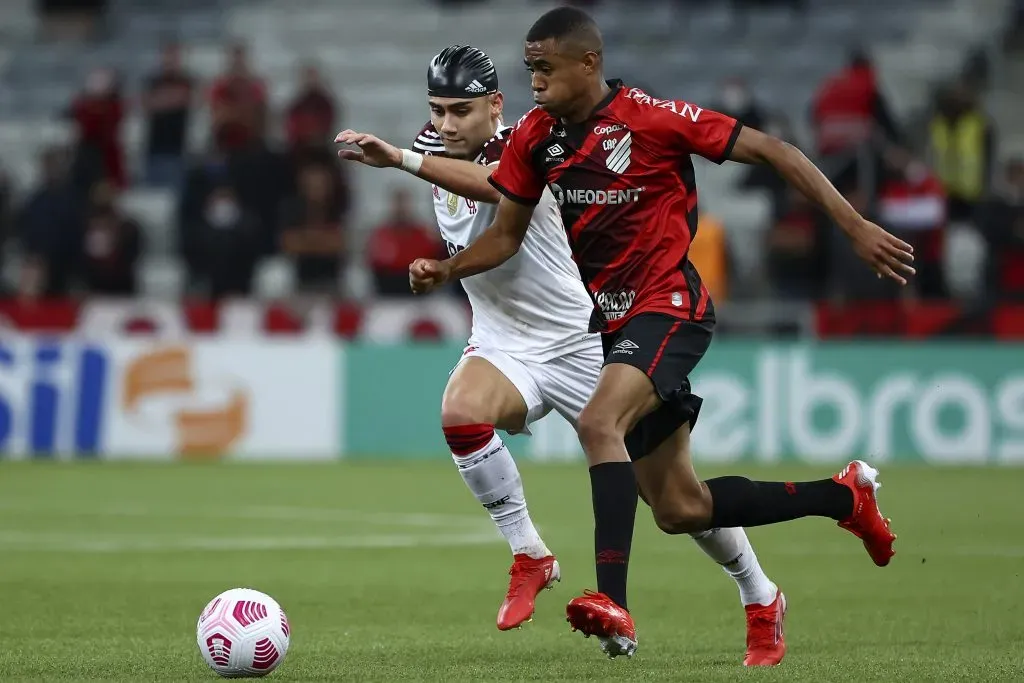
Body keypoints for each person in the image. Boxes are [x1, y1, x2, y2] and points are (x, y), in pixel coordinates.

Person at [403, 8, 914, 659]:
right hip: (609, 325)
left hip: (671, 305)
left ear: (587, 64)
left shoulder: (654, 118)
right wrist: (447, 267)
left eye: (545, 68)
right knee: (680, 505)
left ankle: (613, 602)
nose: (534, 81)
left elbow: (776, 150)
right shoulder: (537, 137)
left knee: (597, 424)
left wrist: (854, 225)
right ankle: (841, 498)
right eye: (529, 67)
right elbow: (504, 232)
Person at [337, 45, 787, 666]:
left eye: (460, 111)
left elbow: (493, 189)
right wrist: (415, 168)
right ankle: (531, 553)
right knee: (460, 413)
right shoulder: (434, 145)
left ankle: (759, 594)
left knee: (675, 503)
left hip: (583, 341)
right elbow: (449, 175)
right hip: (502, 340)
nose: (445, 125)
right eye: (437, 111)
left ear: (495, 106)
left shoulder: (535, 141)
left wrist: (405, 162)